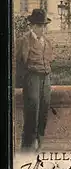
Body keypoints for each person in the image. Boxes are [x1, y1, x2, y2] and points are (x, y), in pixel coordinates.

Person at [16, 9, 53, 151]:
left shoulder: (47, 42)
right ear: (32, 26)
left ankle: (39, 144)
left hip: (46, 79)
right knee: (32, 111)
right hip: (32, 78)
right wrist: (23, 81)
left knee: (44, 110)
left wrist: (48, 78)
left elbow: (49, 61)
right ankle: (27, 147)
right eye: (38, 26)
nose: (41, 29)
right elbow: (18, 62)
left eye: (43, 26)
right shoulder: (24, 40)